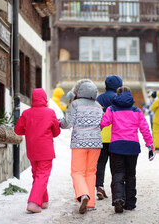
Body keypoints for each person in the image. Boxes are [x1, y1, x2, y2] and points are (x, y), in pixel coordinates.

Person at [100, 86, 155, 213]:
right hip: (132, 147)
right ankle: (130, 203)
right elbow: (145, 129)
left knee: (118, 173)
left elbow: (103, 123)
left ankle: (118, 198)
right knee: (130, 175)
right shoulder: (136, 110)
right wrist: (150, 145)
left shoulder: (111, 109)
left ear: (117, 95)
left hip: (116, 146)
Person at [59, 79, 103, 214]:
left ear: (78, 91)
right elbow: (101, 123)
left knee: (77, 172)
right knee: (91, 172)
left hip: (79, 143)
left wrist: (59, 123)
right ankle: (91, 203)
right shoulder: (97, 106)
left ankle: (83, 195)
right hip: (95, 143)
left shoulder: (75, 104)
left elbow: (68, 123)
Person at [14, 88, 61, 213]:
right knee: (42, 175)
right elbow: (56, 132)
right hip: (45, 150)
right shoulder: (50, 113)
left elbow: (18, 130)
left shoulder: (26, 113)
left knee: (37, 175)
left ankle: (43, 201)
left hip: (32, 150)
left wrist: (29, 131)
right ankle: (34, 203)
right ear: (44, 98)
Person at [95, 75, 123, 200]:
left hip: (100, 135)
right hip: (115, 136)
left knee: (100, 163)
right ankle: (116, 189)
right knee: (115, 165)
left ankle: (99, 186)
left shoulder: (99, 98)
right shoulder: (118, 98)